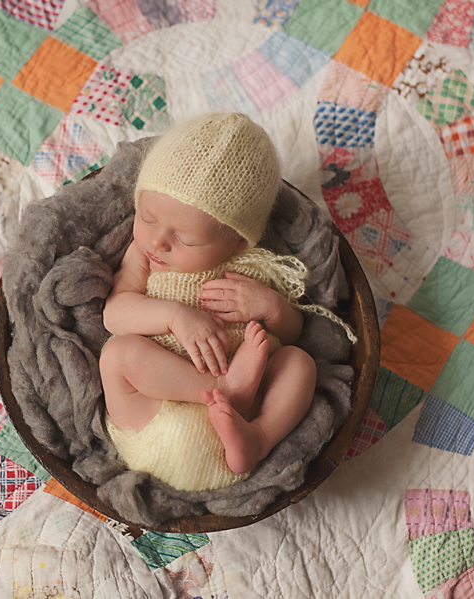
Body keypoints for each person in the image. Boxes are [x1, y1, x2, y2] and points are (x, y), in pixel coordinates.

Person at [99, 112, 347, 492]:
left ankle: (259, 438)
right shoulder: (143, 257)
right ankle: (221, 383)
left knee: (299, 363)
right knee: (118, 355)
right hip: (152, 419)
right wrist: (173, 315)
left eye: (186, 239)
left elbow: (295, 333)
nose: (158, 241)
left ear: (239, 241)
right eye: (147, 217)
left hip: (235, 425)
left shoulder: (254, 267)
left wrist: (272, 309)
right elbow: (115, 315)